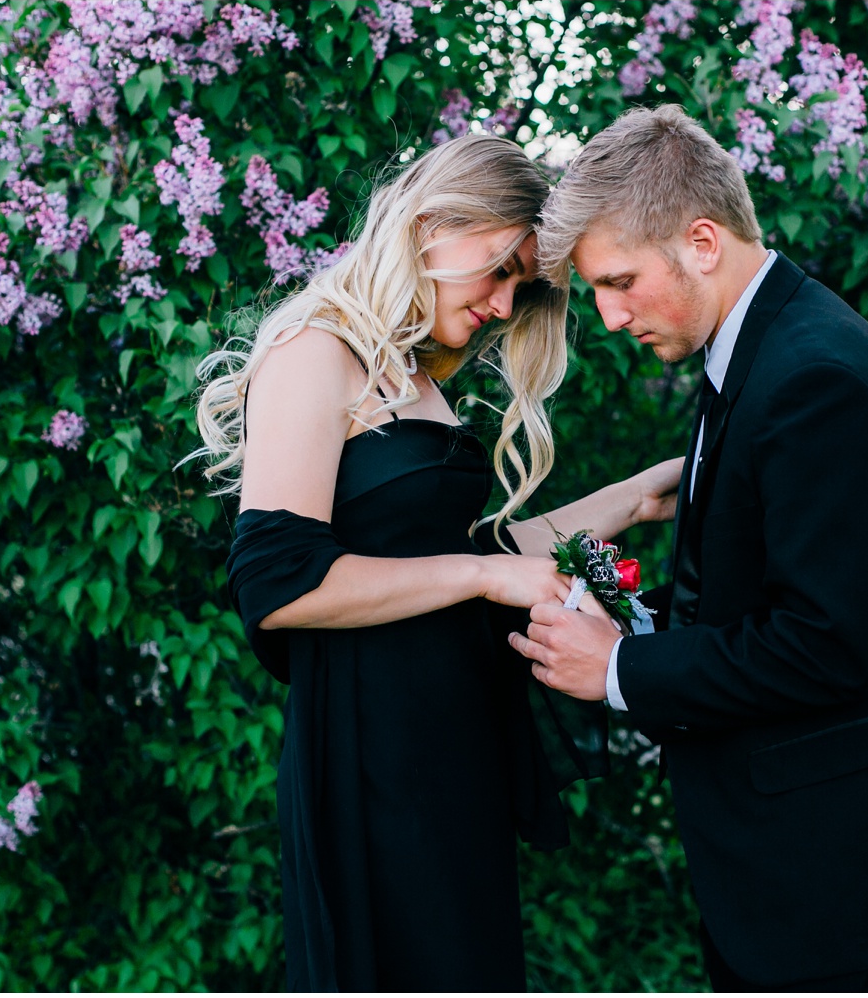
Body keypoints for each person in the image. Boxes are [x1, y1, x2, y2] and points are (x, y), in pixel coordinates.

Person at [510, 105, 868, 992]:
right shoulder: (755, 346)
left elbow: (822, 646)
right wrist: (629, 615)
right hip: (791, 855)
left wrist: (621, 669)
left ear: (702, 241)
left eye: (620, 280)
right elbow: (753, 590)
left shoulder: (815, 380)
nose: (606, 316)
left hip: (833, 867)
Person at [190, 134, 680, 992]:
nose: (502, 305)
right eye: (499, 270)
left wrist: (634, 496)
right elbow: (276, 582)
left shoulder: (415, 375)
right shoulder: (316, 351)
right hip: (373, 761)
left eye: (520, 287)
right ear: (431, 226)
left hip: (451, 752)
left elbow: (468, 555)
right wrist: (486, 577)